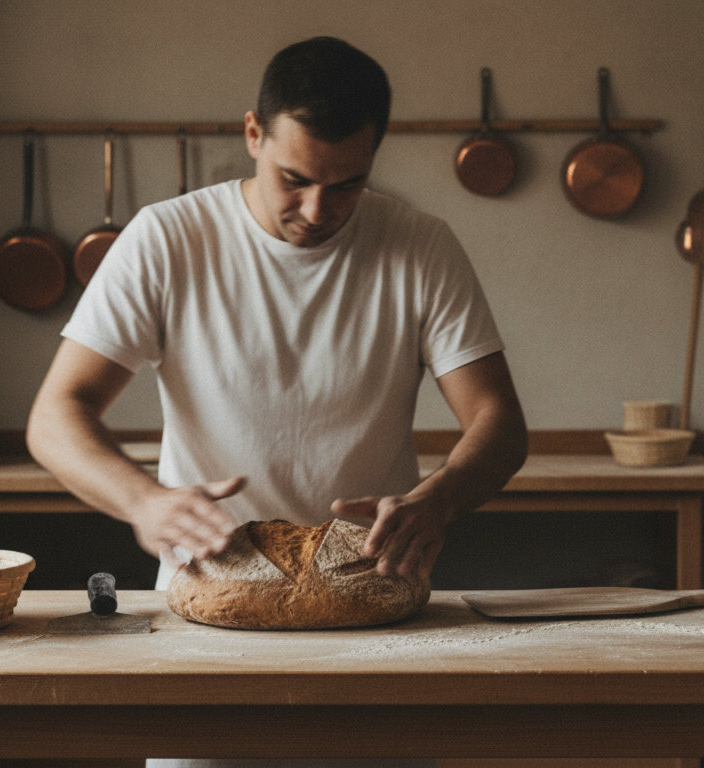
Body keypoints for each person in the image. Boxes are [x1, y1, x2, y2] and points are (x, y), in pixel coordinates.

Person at [27, 36, 528, 605]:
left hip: (366, 586)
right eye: (295, 179)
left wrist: (437, 500)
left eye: (345, 186)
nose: (317, 211)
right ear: (252, 135)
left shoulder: (420, 245)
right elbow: (54, 417)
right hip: (213, 587)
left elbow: (498, 420)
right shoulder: (166, 238)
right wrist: (144, 502)